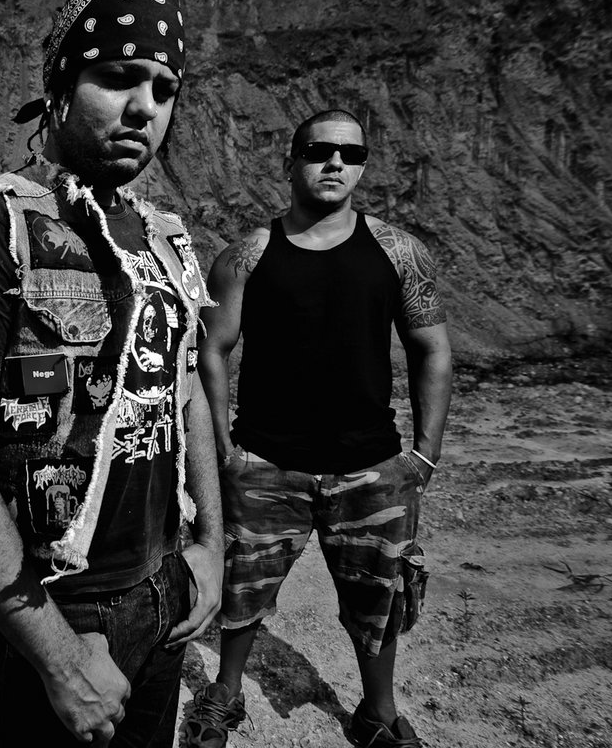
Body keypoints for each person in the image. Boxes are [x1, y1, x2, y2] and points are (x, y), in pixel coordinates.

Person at [0, 0, 223, 747]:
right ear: (60, 85)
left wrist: (212, 546)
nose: (144, 107)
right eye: (117, 78)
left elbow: (184, 394)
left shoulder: (165, 238)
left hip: (163, 587)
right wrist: (56, 656)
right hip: (58, 607)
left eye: (164, 89)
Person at [184, 109, 452, 748]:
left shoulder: (398, 252)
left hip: (372, 466)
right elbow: (211, 349)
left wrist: (425, 455)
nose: (335, 163)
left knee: (380, 599)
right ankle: (225, 694)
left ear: (363, 166)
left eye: (351, 154)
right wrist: (225, 448)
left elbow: (432, 349)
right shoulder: (247, 256)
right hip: (267, 462)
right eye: (319, 150)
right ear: (292, 161)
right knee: (242, 591)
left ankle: (378, 714)